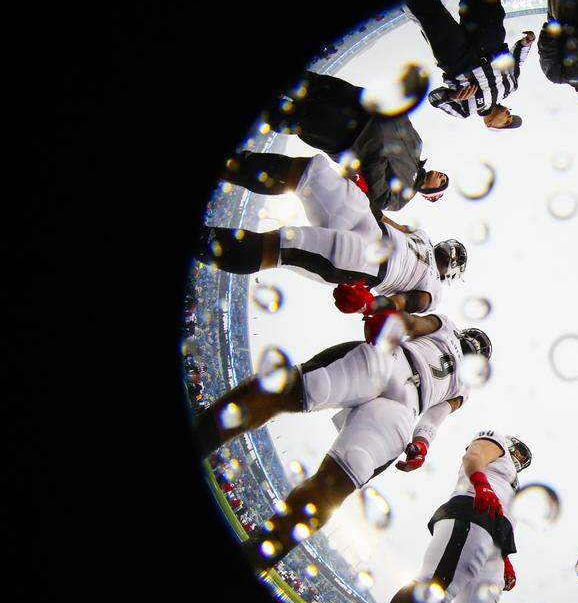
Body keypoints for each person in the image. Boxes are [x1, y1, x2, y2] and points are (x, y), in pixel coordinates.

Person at [194, 311, 492, 572]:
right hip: (391, 360)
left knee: (337, 483)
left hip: (407, 407)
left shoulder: (464, 389)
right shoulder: (447, 325)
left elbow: (435, 417)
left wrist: (422, 442)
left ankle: (257, 555)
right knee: (285, 390)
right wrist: (389, 322)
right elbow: (412, 324)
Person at [369, 430, 533, 603]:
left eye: (523, 458)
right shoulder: (496, 443)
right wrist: (481, 483)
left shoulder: (512, 483)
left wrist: (505, 558)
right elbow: (474, 456)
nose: (518, 458)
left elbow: (505, 515)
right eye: (518, 452)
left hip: (494, 536)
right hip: (473, 510)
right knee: (434, 586)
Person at [198, 154, 465, 310]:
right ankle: (227, 164)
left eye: (453, 258)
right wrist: (365, 198)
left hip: (375, 265)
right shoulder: (425, 238)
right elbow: (394, 224)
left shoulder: (433, 289)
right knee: (312, 172)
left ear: (450, 273)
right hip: (372, 225)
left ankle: (200, 240)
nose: (450, 253)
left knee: (282, 244)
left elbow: (415, 302)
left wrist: (370, 306)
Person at [252, 71, 448, 212]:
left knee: (292, 116)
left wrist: (375, 152)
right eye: (444, 176)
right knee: (306, 83)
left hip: (348, 137)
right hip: (358, 102)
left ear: (431, 192)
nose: (441, 176)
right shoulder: (418, 144)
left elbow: (378, 196)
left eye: (442, 182)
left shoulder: (401, 199)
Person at [405, 0, 533, 129]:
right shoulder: (510, 88)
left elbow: (434, 99)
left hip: (457, 60)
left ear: (490, 124)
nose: (508, 116)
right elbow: (516, 63)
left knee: (428, 10)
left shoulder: (464, 111)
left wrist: (450, 96)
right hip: (490, 45)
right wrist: (525, 44)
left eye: (506, 122)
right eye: (510, 117)